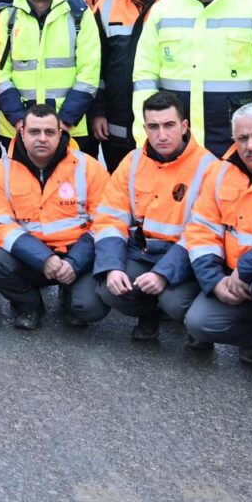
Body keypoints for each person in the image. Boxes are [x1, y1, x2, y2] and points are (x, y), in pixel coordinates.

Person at [132, 0, 252, 159]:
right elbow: (144, 79)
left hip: (238, 142)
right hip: (177, 143)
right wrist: (147, 136)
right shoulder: (163, 11)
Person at [92, 91, 215, 341]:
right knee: (109, 290)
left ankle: (195, 329)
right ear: (144, 128)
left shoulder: (209, 167)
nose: (162, 135)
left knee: (176, 302)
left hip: (187, 257)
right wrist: (112, 267)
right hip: (144, 251)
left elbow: (203, 234)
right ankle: (150, 313)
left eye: (169, 125)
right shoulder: (133, 161)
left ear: (184, 126)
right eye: (154, 126)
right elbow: (109, 218)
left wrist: (164, 273)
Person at [0, 104, 108, 329]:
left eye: (49, 132)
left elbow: (105, 221)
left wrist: (75, 263)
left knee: (88, 308)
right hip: (31, 258)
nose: (42, 138)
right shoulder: (1, 171)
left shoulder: (89, 167)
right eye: (34, 132)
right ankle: (30, 305)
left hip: (77, 254)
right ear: (21, 133)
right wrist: (44, 258)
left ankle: (70, 295)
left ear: (60, 134)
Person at [0, 0, 100, 155]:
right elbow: (0, 76)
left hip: (70, 128)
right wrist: (20, 122)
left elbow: (89, 74)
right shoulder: (7, 17)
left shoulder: (78, 14)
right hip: (17, 128)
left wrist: (63, 123)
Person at [183, 102, 252, 363]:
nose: (251, 145)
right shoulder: (219, 173)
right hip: (235, 280)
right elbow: (201, 231)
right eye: (243, 138)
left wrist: (248, 266)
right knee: (199, 323)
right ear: (234, 139)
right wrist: (214, 282)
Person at [90, 0, 178, 171]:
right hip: (117, 122)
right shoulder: (106, 7)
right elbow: (95, 65)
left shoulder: (179, 6)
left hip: (166, 120)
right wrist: (98, 111)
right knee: (121, 186)